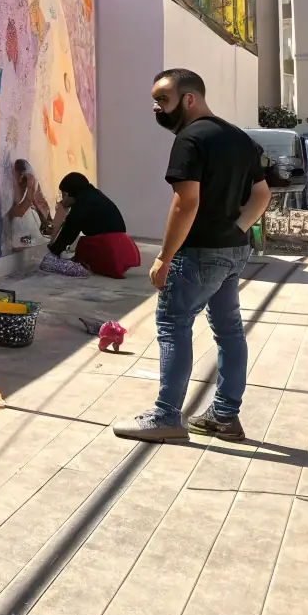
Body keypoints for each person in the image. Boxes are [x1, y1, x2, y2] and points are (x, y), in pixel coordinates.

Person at [114, 69, 270, 444]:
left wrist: (164, 257)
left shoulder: (191, 139)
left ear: (189, 99)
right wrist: (236, 230)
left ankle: (167, 416)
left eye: (163, 100)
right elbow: (262, 194)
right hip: (233, 252)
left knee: (173, 325)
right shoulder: (240, 138)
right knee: (229, 330)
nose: (156, 108)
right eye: (154, 101)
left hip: (198, 254)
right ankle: (225, 416)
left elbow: (186, 203)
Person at [46, 172, 141, 278]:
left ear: (70, 193)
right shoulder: (93, 195)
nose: (62, 199)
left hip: (111, 250)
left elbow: (69, 232)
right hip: (125, 247)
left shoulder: (82, 204)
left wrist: (54, 252)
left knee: (83, 244)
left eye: (64, 195)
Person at [6, 159, 52, 251]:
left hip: (30, 243)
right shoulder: (14, 195)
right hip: (25, 244)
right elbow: (18, 213)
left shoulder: (31, 191)